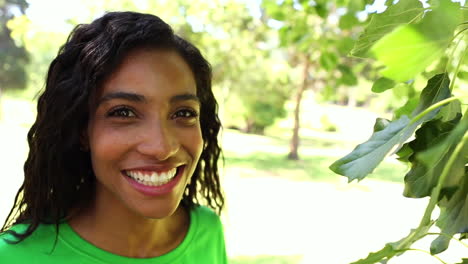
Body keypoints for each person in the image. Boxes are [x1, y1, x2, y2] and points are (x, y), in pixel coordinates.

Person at [0, 11, 227, 263]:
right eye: (124, 112)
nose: (162, 148)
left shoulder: (207, 231)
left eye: (184, 112)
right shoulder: (14, 256)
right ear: (82, 130)